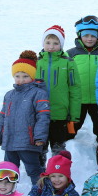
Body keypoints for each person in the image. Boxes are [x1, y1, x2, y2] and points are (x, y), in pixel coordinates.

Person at [0, 51, 50, 185]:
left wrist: (39, 137)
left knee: (34, 170)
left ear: (32, 77)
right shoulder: (9, 95)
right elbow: (2, 117)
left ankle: (41, 195)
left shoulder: (39, 93)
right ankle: (7, 195)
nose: (21, 79)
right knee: (9, 172)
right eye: (17, 76)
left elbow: (43, 116)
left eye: (25, 76)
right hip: (10, 142)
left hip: (28, 142)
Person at [36, 25, 81, 157]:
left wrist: (74, 115)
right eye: (48, 42)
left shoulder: (68, 63)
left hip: (60, 115)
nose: (51, 46)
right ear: (43, 43)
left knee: (58, 148)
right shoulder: (37, 63)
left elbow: (75, 89)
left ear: (61, 45)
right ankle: (40, 173)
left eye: (56, 43)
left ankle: (58, 173)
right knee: (39, 148)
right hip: (39, 115)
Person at [67, 15, 98, 144]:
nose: (89, 39)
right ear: (79, 35)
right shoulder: (71, 54)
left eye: (93, 35)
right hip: (78, 100)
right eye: (86, 35)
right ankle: (66, 148)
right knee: (72, 128)